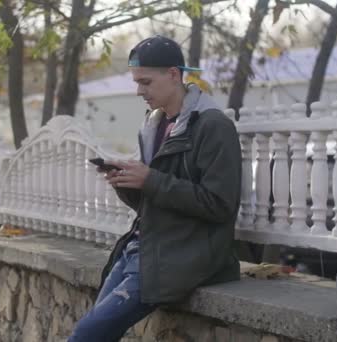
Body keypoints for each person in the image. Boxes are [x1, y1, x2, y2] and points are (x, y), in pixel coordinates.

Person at [68, 35, 242, 341]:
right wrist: (128, 183)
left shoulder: (213, 126)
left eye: (145, 82)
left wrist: (150, 179)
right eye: (137, 82)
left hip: (185, 252)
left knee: (88, 334)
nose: (139, 91)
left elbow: (219, 205)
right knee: (94, 332)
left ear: (173, 75)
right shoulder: (154, 124)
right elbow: (157, 202)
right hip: (144, 247)